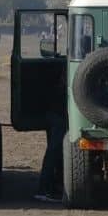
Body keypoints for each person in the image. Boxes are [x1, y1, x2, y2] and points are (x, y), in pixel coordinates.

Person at [34, 75, 68, 203]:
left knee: (55, 153)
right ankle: (44, 189)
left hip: (54, 114)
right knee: (54, 152)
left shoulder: (63, 75)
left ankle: (52, 187)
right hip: (59, 116)